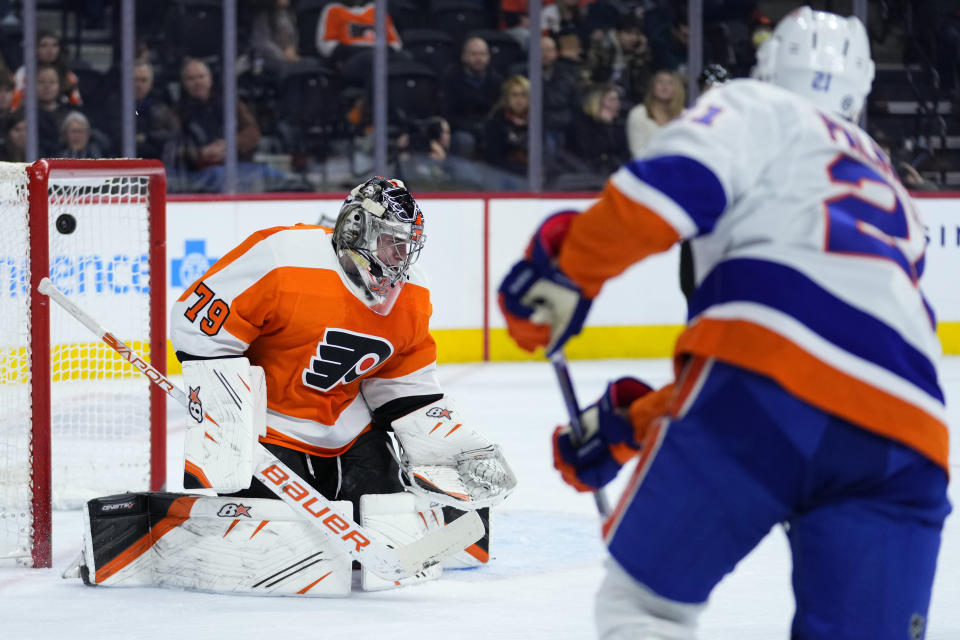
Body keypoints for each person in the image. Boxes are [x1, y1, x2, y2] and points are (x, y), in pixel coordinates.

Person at [498, 7, 950, 638]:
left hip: (763, 394)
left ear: (768, 69)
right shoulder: (892, 187)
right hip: (909, 437)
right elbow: (837, 360)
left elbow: (672, 187)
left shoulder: (756, 107)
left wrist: (566, 272)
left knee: (646, 609)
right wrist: (631, 424)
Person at [440, 37, 503, 158]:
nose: (479, 59)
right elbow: (448, 113)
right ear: (464, 56)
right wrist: (473, 128)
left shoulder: (496, 80)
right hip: (461, 128)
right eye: (474, 54)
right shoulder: (451, 78)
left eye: (483, 54)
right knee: (465, 141)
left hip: (488, 127)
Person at [12, 29, 82, 109]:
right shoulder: (23, 73)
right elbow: (15, 105)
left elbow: (77, 104)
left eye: (55, 45)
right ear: (35, 49)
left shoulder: (69, 76)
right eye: (44, 45)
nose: (50, 50)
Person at [625, 69, 685, 157]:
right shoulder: (638, 114)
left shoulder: (685, 115)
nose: (665, 86)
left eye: (670, 83)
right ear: (652, 87)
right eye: (660, 82)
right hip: (648, 167)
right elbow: (638, 153)